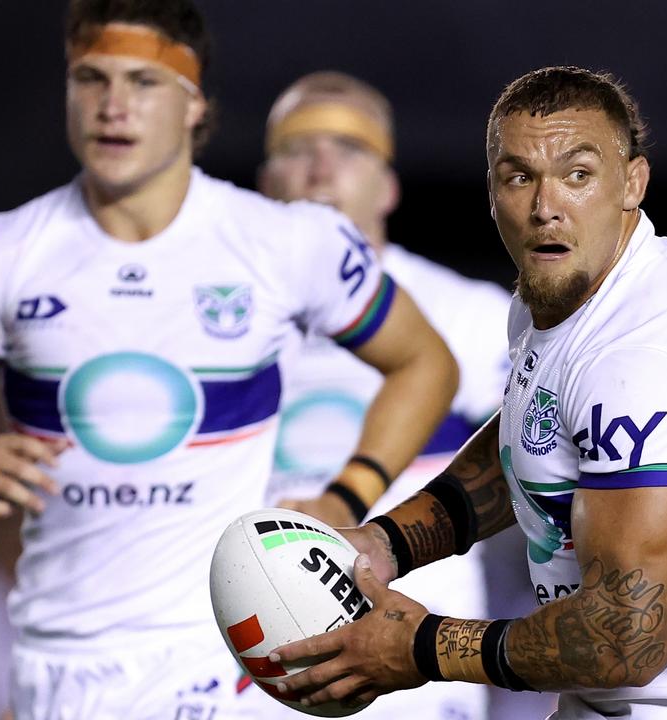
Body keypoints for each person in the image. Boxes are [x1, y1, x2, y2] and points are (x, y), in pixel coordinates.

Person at [0, 1, 458, 717]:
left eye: (144, 83)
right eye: (92, 79)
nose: (114, 106)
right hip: (55, 666)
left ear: (192, 104)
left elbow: (426, 363)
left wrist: (345, 498)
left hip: (215, 662)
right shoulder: (4, 252)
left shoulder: (279, 242)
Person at [272, 66, 667, 720]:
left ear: (632, 183)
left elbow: (628, 636)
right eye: (520, 176)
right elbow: (533, 431)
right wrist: (389, 542)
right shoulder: (559, 288)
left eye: (577, 175)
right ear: (492, 191)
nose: (546, 206)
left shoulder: (643, 357)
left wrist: (424, 647)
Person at [258, 71, 515, 720]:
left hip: (411, 680)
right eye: (297, 148)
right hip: (250, 671)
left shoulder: (470, 317)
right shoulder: (218, 325)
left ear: (389, 185)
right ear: (265, 185)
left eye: (348, 149)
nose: (320, 168)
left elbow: (549, 477)